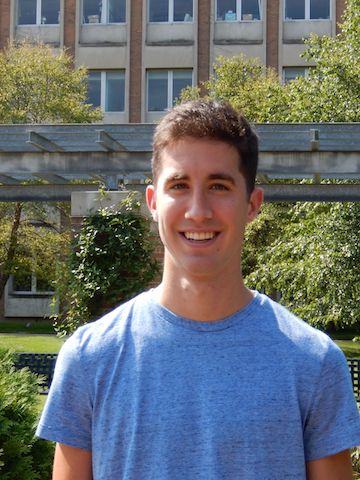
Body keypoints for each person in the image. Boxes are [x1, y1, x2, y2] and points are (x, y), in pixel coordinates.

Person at [37, 100, 360, 479]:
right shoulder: (90, 356)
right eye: (179, 185)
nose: (198, 210)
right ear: (153, 202)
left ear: (252, 204)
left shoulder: (314, 362)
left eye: (219, 186)